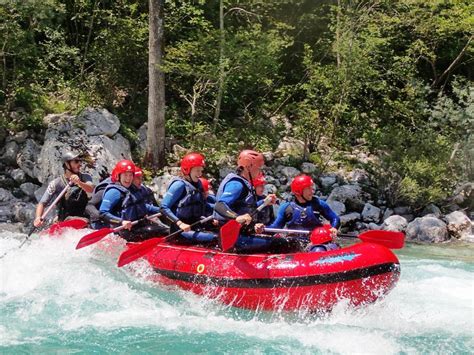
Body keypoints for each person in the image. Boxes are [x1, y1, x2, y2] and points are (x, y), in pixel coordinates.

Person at [214, 150, 278, 252]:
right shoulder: (237, 184)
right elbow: (219, 205)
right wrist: (236, 217)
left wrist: (264, 202)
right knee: (281, 243)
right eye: (258, 168)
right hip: (231, 238)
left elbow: (245, 206)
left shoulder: (245, 183)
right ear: (248, 166)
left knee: (283, 240)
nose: (260, 171)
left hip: (242, 232)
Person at [99, 159, 169, 242]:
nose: (128, 178)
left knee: (167, 230)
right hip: (126, 230)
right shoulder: (113, 192)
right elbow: (103, 213)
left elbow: (142, 206)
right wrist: (121, 222)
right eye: (125, 175)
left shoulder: (133, 189)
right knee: (165, 232)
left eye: (130, 175)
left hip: (141, 224)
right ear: (118, 176)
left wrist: (161, 210)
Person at [267, 174, 340, 252]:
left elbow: (335, 218)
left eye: (311, 187)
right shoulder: (287, 208)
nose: (312, 191)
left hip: (316, 242)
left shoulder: (318, 204)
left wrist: (334, 227)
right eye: (308, 188)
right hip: (295, 243)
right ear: (299, 192)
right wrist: (262, 228)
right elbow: (275, 228)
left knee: (318, 250)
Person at [160, 153, 217, 244]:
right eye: (197, 170)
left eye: (201, 170)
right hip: (181, 229)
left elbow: (202, 205)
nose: (200, 174)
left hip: (195, 224)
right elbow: (163, 208)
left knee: (219, 231)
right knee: (214, 238)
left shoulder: (198, 185)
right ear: (187, 170)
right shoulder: (179, 185)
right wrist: (180, 223)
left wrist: (212, 217)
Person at [34, 151, 94, 227]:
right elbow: (42, 203)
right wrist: (38, 217)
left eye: (80, 161)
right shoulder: (56, 183)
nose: (80, 164)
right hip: (64, 220)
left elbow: (91, 189)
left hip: (84, 219)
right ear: (67, 164)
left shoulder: (86, 177)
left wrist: (79, 183)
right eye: (76, 161)